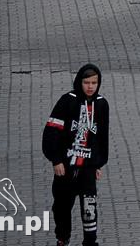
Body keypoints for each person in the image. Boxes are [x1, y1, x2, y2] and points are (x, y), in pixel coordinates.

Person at [43, 64, 109, 246]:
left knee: (89, 208)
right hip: (66, 167)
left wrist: (99, 164)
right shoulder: (67, 101)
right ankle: (63, 238)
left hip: (88, 168)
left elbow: (102, 137)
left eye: (94, 82)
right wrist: (56, 160)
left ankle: (90, 242)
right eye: (86, 82)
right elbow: (51, 131)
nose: (90, 86)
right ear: (79, 82)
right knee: (61, 207)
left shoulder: (102, 104)